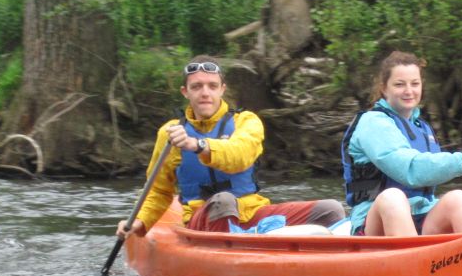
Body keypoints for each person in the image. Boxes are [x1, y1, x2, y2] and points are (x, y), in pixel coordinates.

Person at [116, 55, 344, 240]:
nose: (205, 93)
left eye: (212, 86)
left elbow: (240, 156)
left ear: (222, 89)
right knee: (223, 200)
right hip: (203, 218)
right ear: (185, 92)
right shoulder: (170, 132)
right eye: (197, 86)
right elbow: (157, 191)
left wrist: (198, 145)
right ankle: (233, 255)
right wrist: (139, 221)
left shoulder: (247, 121)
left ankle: (326, 260)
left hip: (251, 213)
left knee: (330, 209)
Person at [341, 51, 462, 236]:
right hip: (374, 223)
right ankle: (412, 254)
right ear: (384, 88)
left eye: (415, 84)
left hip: (420, 214)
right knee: (393, 198)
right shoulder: (372, 123)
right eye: (400, 84)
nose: (409, 91)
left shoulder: (422, 127)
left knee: (458, 199)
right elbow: (409, 169)